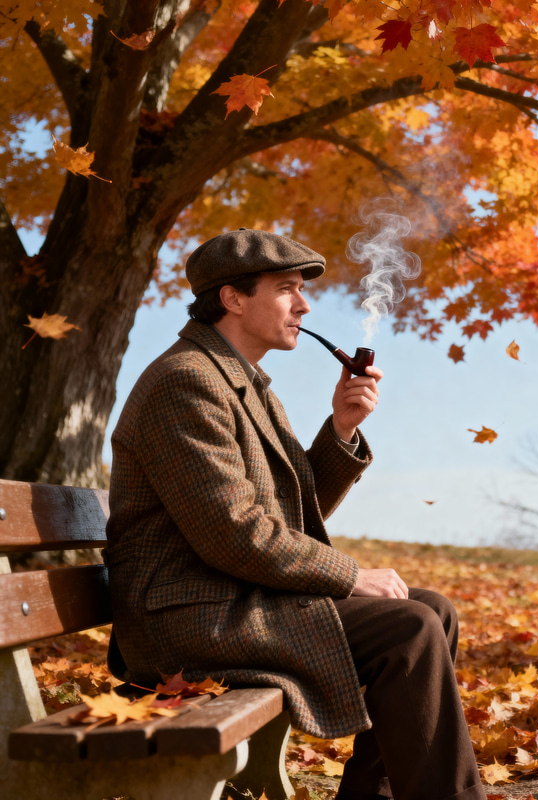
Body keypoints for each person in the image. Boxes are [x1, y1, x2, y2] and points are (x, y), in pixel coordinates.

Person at [104, 229, 487, 800]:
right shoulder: (186, 383)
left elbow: (283, 513)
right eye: (287, 289)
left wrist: (340, 428)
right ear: (233, 299)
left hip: (230, 598)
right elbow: (235, 535)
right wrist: (353, 577)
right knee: (408, 628)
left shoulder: (242, 383)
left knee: (432, 609)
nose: (305, 305)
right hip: (187, 622)